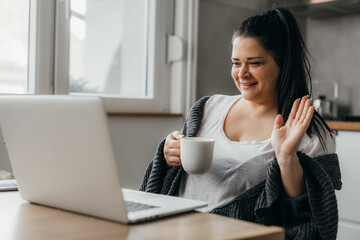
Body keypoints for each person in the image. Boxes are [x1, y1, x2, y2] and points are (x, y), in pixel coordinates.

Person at [140, 7, 341, 240]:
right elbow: (169, 182)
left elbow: (309, 224)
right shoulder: (208, 108)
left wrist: (286, 157)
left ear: (283, 64)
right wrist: (168, 153)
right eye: (236, 63)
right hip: (172, 232)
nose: (242, 73)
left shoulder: (310, 134)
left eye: (254, 63)